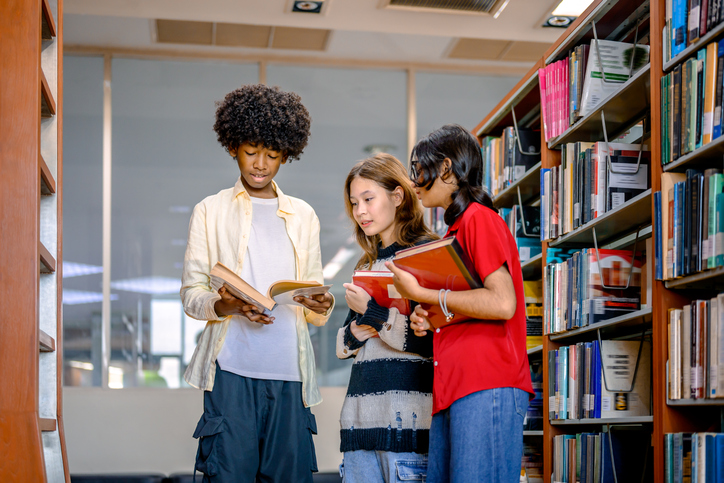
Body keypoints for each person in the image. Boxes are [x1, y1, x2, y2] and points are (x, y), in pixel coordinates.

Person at [180, 84, 334, 483]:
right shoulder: (209, 211)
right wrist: (228, 305)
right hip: (231, 372)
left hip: (290, 374)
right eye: (251, 151)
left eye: (272, 154)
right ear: (233, 146)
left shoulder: (304, 216)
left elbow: (314, 298)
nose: (261, 164)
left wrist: (321, 304)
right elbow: (192, 295)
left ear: (287, 152)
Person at [385, 124, 534, 483]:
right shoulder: (454, 233)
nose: (414, 181)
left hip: (486, 383)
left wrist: (423, 295)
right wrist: (431, 317)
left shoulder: (478, 220)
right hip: (456, 386)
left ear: (447, 169)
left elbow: (502, 303)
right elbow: (469, 305)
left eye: (419, 169)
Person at [337, 153, 438, 483]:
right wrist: (362, 327)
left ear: (397, 196)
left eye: (368, 199)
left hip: (407, 430)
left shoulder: (429, 254)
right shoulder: (365, 267)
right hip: (358, 430)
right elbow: (343, 344)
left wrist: (375, 316)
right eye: (354, 203)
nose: (360, 211)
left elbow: (431, 341)